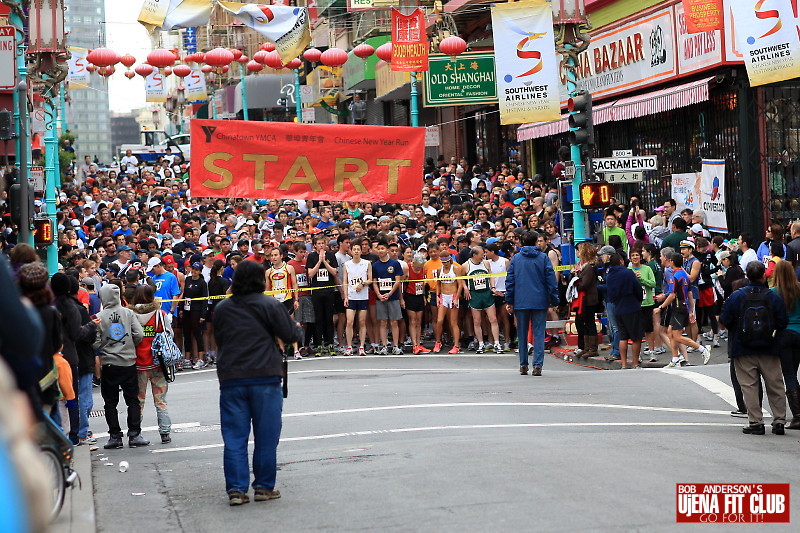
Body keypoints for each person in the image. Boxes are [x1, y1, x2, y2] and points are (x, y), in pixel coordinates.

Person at [212, 260, 303, 506]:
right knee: (266, 435)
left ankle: (236, 489)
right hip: (265, 374)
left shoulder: (222, 308)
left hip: (232, 376)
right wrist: (296, 328)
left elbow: (219, 338)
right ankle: (263, 486)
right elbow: (291, 335)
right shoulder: (270, 304)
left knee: (234, 437)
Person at [720, 261, 788, 435]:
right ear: (764, 275)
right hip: (769, 348)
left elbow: (725, 319)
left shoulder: (737, 296)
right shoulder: (772, 296)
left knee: (749, 386)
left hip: (743, 348)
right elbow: (782, 321)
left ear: (747, 275)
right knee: (775, 385)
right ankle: (779, 420)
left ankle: (756, 422)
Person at [94, 283, 146, 449]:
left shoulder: (99, 316)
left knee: (110, 402)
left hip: (109, 363)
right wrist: (129, 345)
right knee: (132, 400)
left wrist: (104, 347)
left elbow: (94, 342)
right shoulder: (128, 313)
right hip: (128, 361)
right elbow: (139, 334)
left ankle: (115, 436)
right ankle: (134, 434)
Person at [506, 231, 559, 376]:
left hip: (521, 300)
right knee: (538, 333)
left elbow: (510, 281)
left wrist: (509, 300)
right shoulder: (543, 257)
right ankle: (537, 365)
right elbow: (551, 280)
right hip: (539, 300)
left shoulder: (516, 258)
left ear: (522, 242)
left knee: (522, 334)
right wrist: (554, 300)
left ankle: (523, 364)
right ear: (536, 241)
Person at [131, 285, 173, 444]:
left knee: (138, 400)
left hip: (137, 363)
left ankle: (136, 433)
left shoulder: (131, 315)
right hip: (158, 363)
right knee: (161, 399)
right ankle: (165, 433)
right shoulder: (160, 314)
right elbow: (170, 334)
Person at [655, 252, 711, 367]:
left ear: (672, 262)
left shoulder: (675, 277)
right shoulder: (685, 275)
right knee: (670, 332)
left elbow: (671, 295)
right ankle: (675, 358)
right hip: (684, 307)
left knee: (677, 336)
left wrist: (660, 307)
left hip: (678, 308)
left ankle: (702, 349)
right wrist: (690, 310)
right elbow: (689, 293)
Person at [771, 260, 800, 430]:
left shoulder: (774, 292)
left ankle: (797, 415)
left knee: (789, 374)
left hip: (784, 335)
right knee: (795, 373)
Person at [606, 253, 644, 369]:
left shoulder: (609, 275)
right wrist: (639, 299)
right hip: (631, 305)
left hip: (618, 307)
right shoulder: (628, 273)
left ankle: (624, 363)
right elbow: (637, 288)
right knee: (636, 337)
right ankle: (635, 363)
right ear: (621, 261)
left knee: (623, 337)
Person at [463, 246, 502, 354]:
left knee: (493, 319)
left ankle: (497, 343)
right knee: (477, 320)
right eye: (481, 254)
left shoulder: (486, 263)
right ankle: (480, 344)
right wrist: (465, 288)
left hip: (486, 293)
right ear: (475, 255)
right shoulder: (466, 265)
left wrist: (493, 287)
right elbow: (461, 278)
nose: (483, 255)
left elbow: (491, 276)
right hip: (475, 295)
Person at [371, 240, 404, 355]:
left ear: (387, 250)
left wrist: (389, 293)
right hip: (380, 298)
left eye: (382, 248)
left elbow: (397, 281)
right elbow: (374, 282)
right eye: (378, 249)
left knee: (394, 322)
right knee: (383, 322)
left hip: (393, 297)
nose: (380, 251)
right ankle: (384, 346)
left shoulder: (395, 264)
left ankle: (395, 346)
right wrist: (379, 295)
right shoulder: (375, 266)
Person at [342, 242, 372, 356]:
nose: (356, 251)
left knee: (362, 321)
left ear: (361, 251)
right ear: (351, 250)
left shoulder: (366, 263)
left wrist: (363, 284)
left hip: (363, 296)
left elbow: (370, 279)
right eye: (354, 249)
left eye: (358, 249)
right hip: (351, 296)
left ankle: (361, 347)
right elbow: (345, 281)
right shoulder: (347, 264)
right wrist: (345, 297)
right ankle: (349, 346)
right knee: (349, 321)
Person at [628, 247, 657, 362]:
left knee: (649, 329)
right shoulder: (628, 270)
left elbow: (653, 283)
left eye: (637, 255)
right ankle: (637, 353)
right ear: (630, 258)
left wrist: (642, 280)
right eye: (633, 255)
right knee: (636, 330)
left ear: (640, 257)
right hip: (634, 304)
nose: (635, 257)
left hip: (647, 303)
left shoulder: (647, 269)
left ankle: (652, 352)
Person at [572, 242, 600, 359]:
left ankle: (592, 348)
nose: (577, 252)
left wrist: (575, 280)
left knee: (589, 323)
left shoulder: (588, 268)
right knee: (584, 322)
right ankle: (586, 347)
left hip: (589, 299)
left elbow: (584, 284)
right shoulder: (584, 267)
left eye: (578, 250)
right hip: (585, 299)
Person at [180, 262, 209, 370]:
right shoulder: (188, 280)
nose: (194, 271)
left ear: (200, 271)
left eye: (196, 269)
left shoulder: (202, 283)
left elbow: (204, 300)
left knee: (197, 333)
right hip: (187, 310)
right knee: (186, 333)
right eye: (193, 269)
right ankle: (187, 358)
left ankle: (200, 358)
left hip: (197, 310)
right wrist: (182, 308)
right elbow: (185, 295)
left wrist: (203, 315)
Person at [434, 253, 462, 354]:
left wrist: (457, 298)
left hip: (453, 295)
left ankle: (456, 345)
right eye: (443, 262)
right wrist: (438, 296)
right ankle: (438, 342)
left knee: (453, 322)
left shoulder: (455, 269)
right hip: (443, 296)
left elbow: (460, 285)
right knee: (439, 320)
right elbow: (438, 284)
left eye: (446, 262)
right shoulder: (439, 270)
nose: (445, 264)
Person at [404, 252, 430, 355]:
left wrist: (424, 296)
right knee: (412, 320)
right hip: (410, 296)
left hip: (419, 295)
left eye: (421, 267)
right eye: (418, 267)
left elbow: (423, 283)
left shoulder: (423, 269)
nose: (419, 269)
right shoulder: (407, 268)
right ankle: (414, 344)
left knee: (419, 321)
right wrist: (402, 299)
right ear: (413, 263)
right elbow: (400, 284)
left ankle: (419, 344)